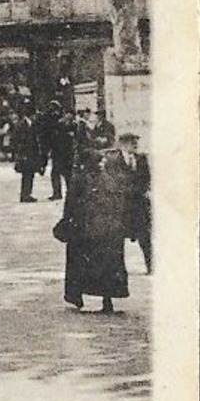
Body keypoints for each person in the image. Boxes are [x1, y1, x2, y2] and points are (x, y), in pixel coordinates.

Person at [58, 137, 134, 314]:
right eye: (99, 161)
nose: (102, 164)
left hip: (90, 231)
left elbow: (71, 204)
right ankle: (104, 299)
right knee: (105, 266)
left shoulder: (81, 179)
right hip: (103, 231)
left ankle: (78, 296)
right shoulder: (106, 179)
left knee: (82, 264)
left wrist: (68, 220)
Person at [103, 132, 151, 275]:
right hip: (121, 206)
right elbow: (112, 181)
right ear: (123, 144)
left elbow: (146, 179)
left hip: (139, 206)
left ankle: (151, 266)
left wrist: (142, 191)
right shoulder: (113, 160)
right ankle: (118, 270)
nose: (135, 145)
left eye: (136, 142)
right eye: (132, 142)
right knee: (117, 240)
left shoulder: (142, 159)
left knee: (145, 238)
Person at [12, 102, 42, 202]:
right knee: (27, 175)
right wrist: (20, 153)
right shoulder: (22, 125)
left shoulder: (31, 124)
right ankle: (25, 195)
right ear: (31, 115)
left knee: (30, 174)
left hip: (31, 154)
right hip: (25, 154)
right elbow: (16, 140)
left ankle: (27, 193)